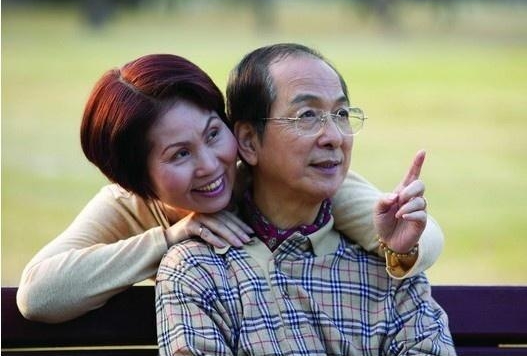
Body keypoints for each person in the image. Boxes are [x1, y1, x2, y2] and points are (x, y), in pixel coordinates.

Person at [17, 53, 443, 324]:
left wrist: (403, 245)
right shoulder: (130, 206)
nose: (210, 164)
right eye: (179, 154)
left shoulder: (274, 178)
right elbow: (38, 295)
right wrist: (169, 239)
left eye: (213, 133)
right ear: (135, 177)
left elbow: (421, 239)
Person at [156, 44, 455, 356]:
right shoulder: (199, 269)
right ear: (248, 141)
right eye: (307, 115)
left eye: (341, 114)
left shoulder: (390, 264)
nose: (334, 137)